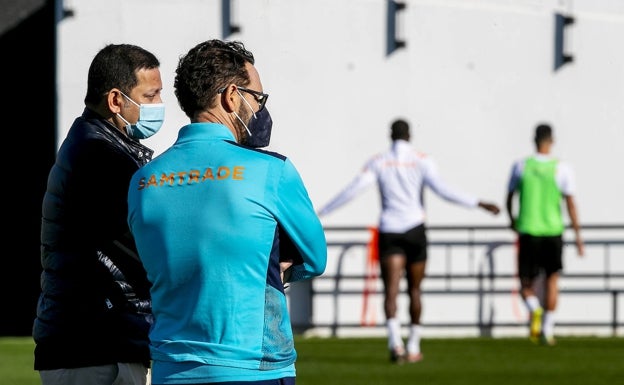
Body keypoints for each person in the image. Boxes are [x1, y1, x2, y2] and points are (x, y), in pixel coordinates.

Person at [127, 39, 327, 385]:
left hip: (170, 367)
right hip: (253, 366)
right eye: (258, 98)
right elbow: (315, 259)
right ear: (232, 97)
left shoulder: (143, 179)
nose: (260, 110)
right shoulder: (271, 170)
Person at [316, 118, 500, 363]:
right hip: (415, 229)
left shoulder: (379, 161)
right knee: (415, 290)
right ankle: (413, 346)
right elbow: (444, 190)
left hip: (390, 230)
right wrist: (478, 202)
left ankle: (395, 344)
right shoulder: (421, 160)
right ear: (410, 135)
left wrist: (321, 212)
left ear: (390, 135)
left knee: (390, 291)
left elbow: (354, 189)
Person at [34, 43, 165, 385]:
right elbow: (147, 247)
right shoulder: (99, 155)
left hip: (92, 337)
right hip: (96, 342)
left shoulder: (96, 145)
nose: (158, 106)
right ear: (116, 100)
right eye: (150, 96)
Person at [506, 123, 584, 346]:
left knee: (525, 282)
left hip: (528, 229)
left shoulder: (521, 166)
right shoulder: (562, 168)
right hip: (553, 231)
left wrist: (512, 220)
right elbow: (570, 203)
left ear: (534, 140)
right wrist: (578, 236)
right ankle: (548, 329)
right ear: (552, 141)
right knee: (552, 279)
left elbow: (509, 197)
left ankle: (534, 309)